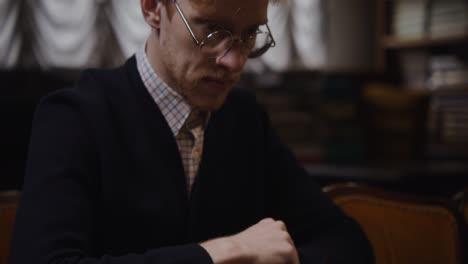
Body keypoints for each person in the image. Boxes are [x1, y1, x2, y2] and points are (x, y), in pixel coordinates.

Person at [9, 0, 374, 263]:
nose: (234, 62)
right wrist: (223, 252)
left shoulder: (245, 119)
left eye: (249, 36)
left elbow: (347, 242)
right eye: (212, 31)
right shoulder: (73, 118)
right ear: (153, 8)